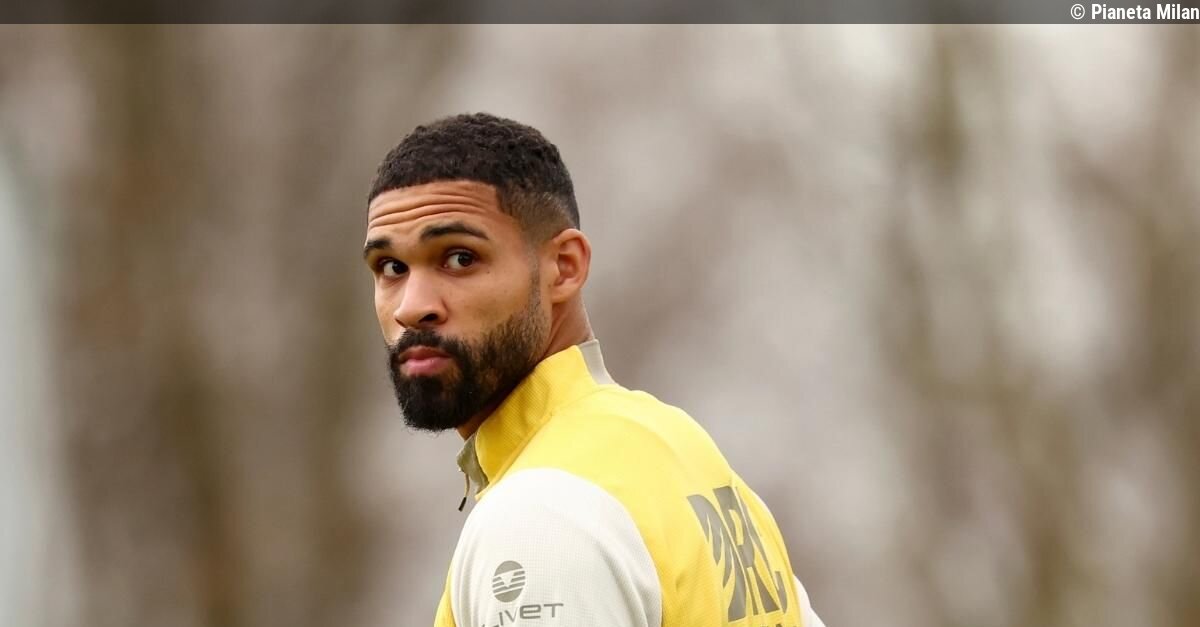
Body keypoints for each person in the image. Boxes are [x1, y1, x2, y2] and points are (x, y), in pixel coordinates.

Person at [364, 113, 825, 627]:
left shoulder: (539, 516)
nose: (412, 307)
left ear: (564, 267)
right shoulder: (692, 460)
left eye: (459, 258)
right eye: (391, 268)